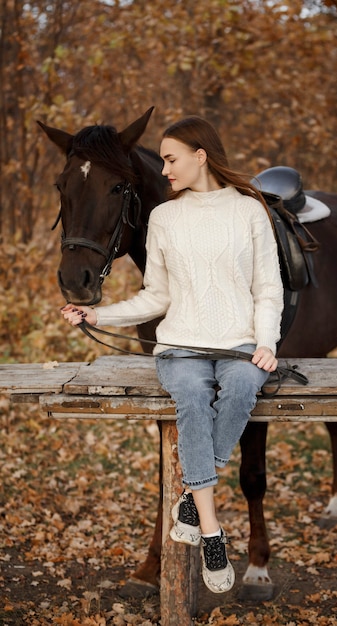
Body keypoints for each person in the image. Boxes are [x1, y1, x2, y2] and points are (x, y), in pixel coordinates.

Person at [61, 116, 284, 594]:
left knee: (245, 385)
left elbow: (268, 288)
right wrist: (101, 317)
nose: (162, 170)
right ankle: (211, 532)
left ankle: (190, 498)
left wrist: (266, 342)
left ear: (200, 156)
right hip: (180, 347)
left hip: (238, 343)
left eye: (170, 159)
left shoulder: (249, 212)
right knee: (191, 398)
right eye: (162, 159)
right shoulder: (163, 217)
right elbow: (156, 296)